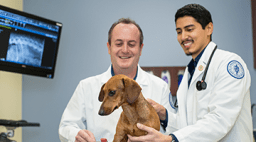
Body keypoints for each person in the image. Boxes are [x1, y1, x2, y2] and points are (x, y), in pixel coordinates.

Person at [128, 3, 253, 142]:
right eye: (179, 31)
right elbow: (188, 126)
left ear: (209, 28)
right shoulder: (190, 72)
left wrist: (171, 139)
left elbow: (220, 119)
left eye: (189, 29)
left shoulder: (229, 63)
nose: (183, 37)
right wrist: (164, 115)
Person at [58, 18, 174, 142]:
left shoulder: (160, 87)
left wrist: (164, 123)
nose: (125, 50)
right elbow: (66, 127)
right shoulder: (86, 86)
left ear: (140, 49)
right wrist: (77, 135)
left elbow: (176, 131)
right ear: (109, 47)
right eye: (118, 44)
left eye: (131, 44)